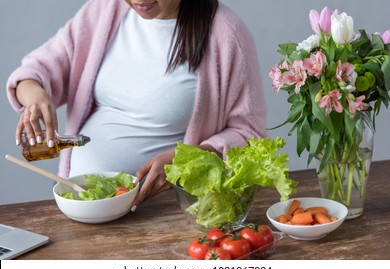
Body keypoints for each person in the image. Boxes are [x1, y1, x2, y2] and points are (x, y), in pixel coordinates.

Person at [6, 0, 266, 210]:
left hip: (164, 212)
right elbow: (36, 71)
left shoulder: (225, 32)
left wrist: (186, 160)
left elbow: (249, 133)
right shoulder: (103, 10)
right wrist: (35, 96)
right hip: (85, 207)